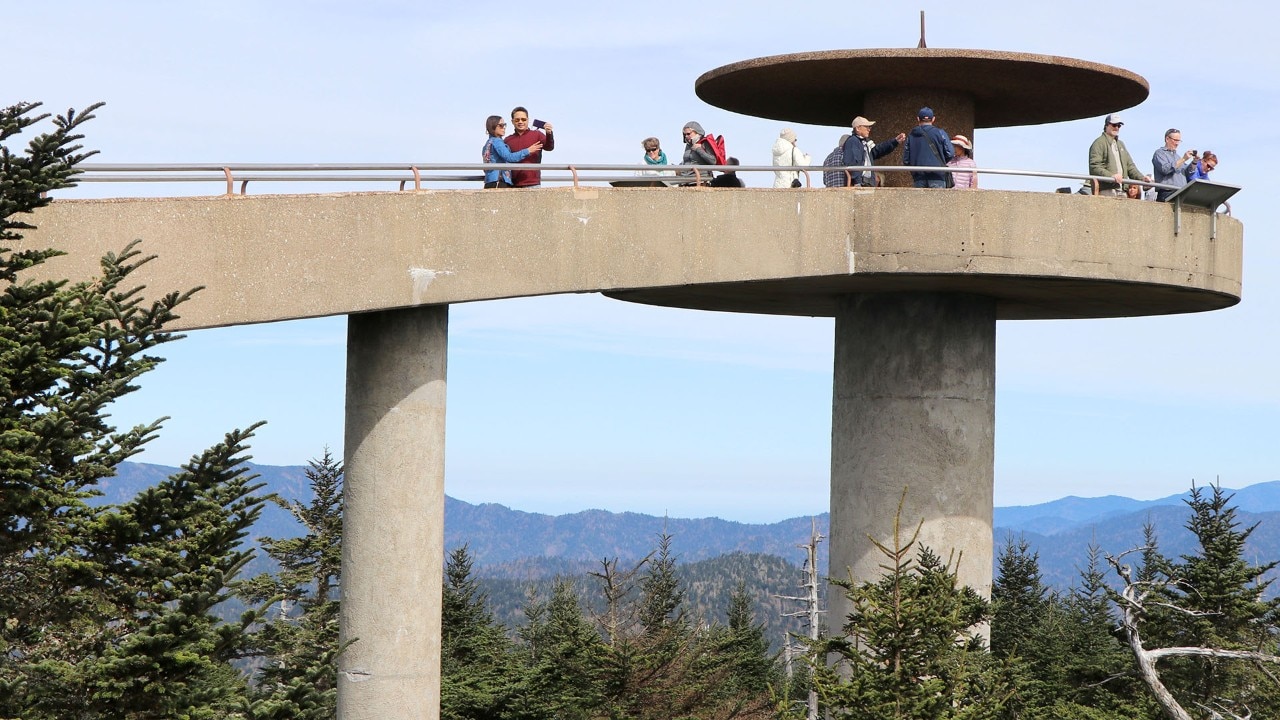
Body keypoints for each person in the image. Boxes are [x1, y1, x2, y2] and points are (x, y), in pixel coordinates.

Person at [1087, 113, 1150, 196]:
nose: (1116, 128)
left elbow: (1130, 166)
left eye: (1119, 125)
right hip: (1107, 190)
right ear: (1106, 125)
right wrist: (1111, 176)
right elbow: (1094, 167)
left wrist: (1142, 178)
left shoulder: (1121, 144)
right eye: (1114, 125)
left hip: (1123, 190)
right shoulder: (1099, 143)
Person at [841, 116, 905, 187]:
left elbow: (877, 150)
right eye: (866, 127)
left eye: (869, 127)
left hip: (868, 183)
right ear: (858, 128)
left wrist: (895, 142)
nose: (869, 129)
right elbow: (852, 163)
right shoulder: (853, 141)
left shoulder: (865, 142)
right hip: (860, 184)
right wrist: (857, 183)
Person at [482, 115, 540, 189]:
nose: (504, 128)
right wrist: (528, 151)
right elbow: (509, 157)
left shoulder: (487, 144)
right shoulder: (497, 142)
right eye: (501, 125)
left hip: (489, 181)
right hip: (499, 181)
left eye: (504, 125)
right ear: (493, 126)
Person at [902, 107, 954, 188]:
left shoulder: (911, 135)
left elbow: (906, 160)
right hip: (937, 176)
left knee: (919, 201)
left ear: (918, 119)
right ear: (933, 119)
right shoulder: (940, 133)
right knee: (937, 201)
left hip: (918, 177)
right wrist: (940, 162)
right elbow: (950, 153)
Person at [505, 106, 554, 187]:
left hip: (533, 183)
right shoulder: (508, 140)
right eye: (517, 120)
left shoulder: (537, 134)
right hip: (513, 184)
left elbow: (549, 147)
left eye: (523, 119)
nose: (520, 122)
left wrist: (549, 134)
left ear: (528, 120)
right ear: (512, 121)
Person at [1152, 128, 1195, 201]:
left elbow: (1186, 173)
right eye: (1175, 140)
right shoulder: (1159, 153)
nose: (1177, 143)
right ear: (1167, 139)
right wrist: (1183, 159)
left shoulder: (1177, 157)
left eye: (1179, 141)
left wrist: (1195, 162)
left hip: (1180, 193)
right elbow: (1165, 169)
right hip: (1167, 193)